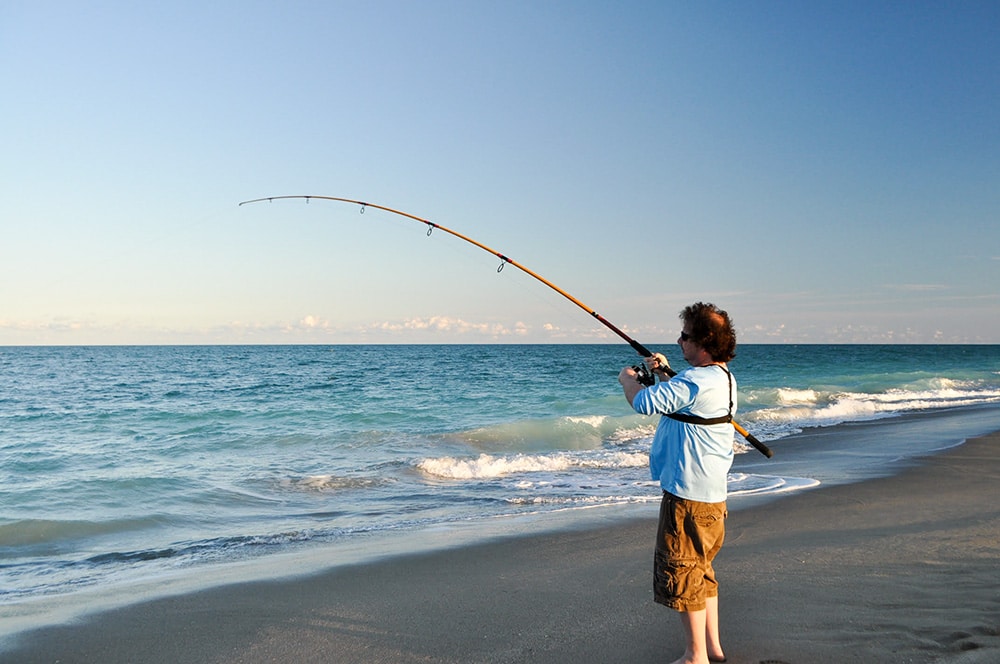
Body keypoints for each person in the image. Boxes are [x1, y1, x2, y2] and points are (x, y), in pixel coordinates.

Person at [618, 302, 738, 664]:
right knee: (702, 572)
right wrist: (668, 372)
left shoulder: (694, 381)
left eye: (685, 336)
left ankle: (694, 655)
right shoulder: (722, 378)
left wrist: (628, 379)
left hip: (686, 498)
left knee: (683, 573)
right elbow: (686, 401)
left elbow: (643, 403)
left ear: (703, 342)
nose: (678, 340)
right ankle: (712, 648)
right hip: (713, 499)